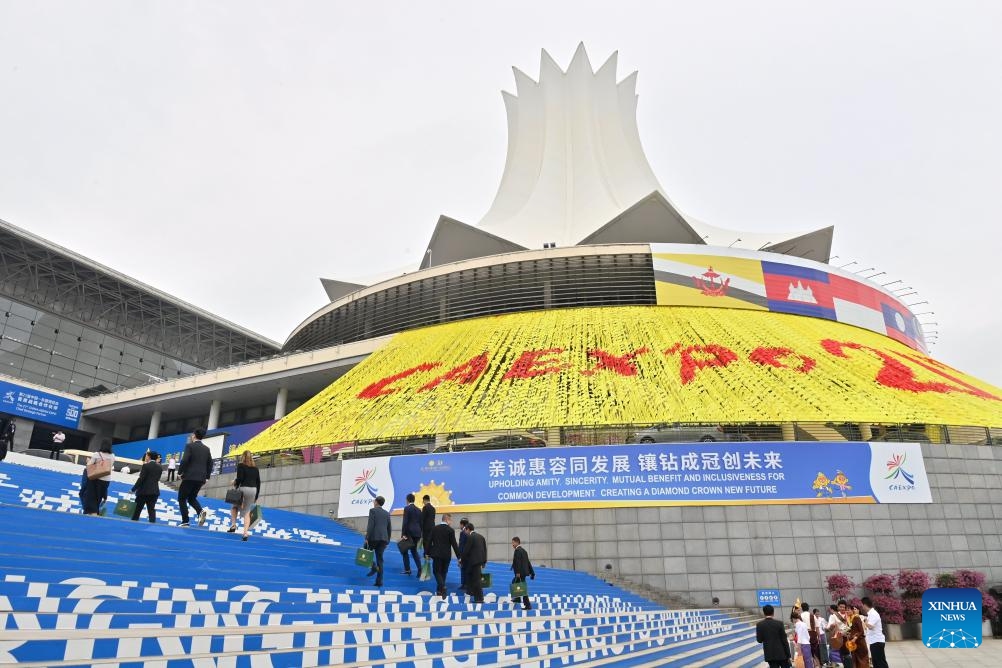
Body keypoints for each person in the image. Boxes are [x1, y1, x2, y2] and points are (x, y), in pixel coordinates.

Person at [177, 428, 212, 527]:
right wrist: (207, 477)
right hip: (201, 479)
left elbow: (184, 460)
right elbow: (210, 463)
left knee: (181, 498)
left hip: (189, 477)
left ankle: (185, 521)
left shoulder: (189, 446)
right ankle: (200, 511)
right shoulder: (206, 448)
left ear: (194, 435)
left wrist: (180, 473)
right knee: (192, 498)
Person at [227, 451, 260, 541]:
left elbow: (240, 478)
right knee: (247, 511)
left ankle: (233, 525)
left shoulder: (241, 465)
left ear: (243, 457)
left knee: (234, 507)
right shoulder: (255, 468)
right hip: (253, 490)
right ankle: (245, 533)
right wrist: (256, 496)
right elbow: (258, 482)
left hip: (243, 489)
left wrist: (234, 482)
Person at [427, 513, 460, 598]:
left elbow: (429, 541)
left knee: (436, 571)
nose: (451, 522)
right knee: (443, 572)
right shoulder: (450, 530)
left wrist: (427, 553)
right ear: (447, 519)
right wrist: (459, 557)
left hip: (437, 554)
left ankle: (442, 587)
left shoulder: (435, 528)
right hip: (447, 555)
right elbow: (454, 545)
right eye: (450, 520)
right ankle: (439, 591)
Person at [364, 495, 391, 587]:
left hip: (373, 537)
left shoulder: (372, 511)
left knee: (366, 552)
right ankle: (379, 581)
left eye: (374, 501)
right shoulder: (387, 513)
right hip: (383, 539)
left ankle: (373, 567)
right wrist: (387, 541)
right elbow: (389, 528)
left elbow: (370, 525)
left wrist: (367, 538)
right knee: (380, 560)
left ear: (376, 502)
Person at [82, 443, 114, 515]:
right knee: (99, 498)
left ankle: (93, 513)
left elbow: (89, 465)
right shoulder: (113, 456)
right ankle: (95, 512)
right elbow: (110, 465)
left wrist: (88, 461)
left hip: (96, 479)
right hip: (106, 480)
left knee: (92, 497)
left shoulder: (97, 454)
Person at [131, 451, 162, 522]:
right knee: (151, 510)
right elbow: (157, 479)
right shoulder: (160, 467)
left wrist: (133, 489)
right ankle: (152, 524)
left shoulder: (146, 466)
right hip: (154, 491)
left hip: (143, 491)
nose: (146, 457)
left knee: (137, 509)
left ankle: (133, 524)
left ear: (149, 457)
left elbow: (141, 479)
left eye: (146, 456)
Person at [460, 521, 487, 604]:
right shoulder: (481, 537)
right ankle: (472, 593)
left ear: (468, 529)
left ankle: (479, 599)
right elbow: (485, 550)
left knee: (476, 580)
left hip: (473, 562)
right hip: (480, 561)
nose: (465, 532)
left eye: (465, 530)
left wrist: (461, 560)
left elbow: (466, 550)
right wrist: (484, 562)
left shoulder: (470, 537)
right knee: (472, 577)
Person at [860, 597, 887, 668]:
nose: (862, 607)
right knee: (876, 662)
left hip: (877, 641)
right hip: (874, 641)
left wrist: (864, 620)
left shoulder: (873, 614)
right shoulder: (870, 614)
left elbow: (870, 626)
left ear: (865, 605)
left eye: (862, 605)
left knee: (880, 662)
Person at [510, 536, 535, 610]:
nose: (512, 544)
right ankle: (517, 599)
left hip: (520, 573)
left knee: (523, 589)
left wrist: (517, 572)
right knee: (515, 583)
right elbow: (528, 562)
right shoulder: (524, 551)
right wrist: (532, 572)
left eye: (513, 543)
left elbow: (517, 563)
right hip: (523, 573)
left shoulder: (517, 551)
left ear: (517, 542)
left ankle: (528, 605)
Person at [400, 493, 422, 575]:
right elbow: (420, 523)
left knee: (404, 550)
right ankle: (420, 568)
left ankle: (407, 569)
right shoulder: (419, 510)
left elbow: (405, 522)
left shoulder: (407, 508)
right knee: (414, 551)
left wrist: (403, 534)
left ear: (407, 500)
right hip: (417, 533)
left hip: (409, 533)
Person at [827, 601, 852, 668]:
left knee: (851, 654)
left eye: (844, 607)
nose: (842, 608)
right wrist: (832, 626)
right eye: (841, 607)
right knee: (845, 654)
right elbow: (829, 627)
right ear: (838, 607)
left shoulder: (849, 614)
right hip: (841, 638)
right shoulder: (834, 616)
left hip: (851, 637)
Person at [456, 518, 469, 592]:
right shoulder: (468, 532)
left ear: (462, 524)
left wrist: (459, 556)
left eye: (460, 524)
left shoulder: (463, 532)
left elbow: (461, 545)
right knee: (465, 569)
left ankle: (464, 584)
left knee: (463, 569)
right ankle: (465, 584)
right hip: (468, 554)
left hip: (463, 554)